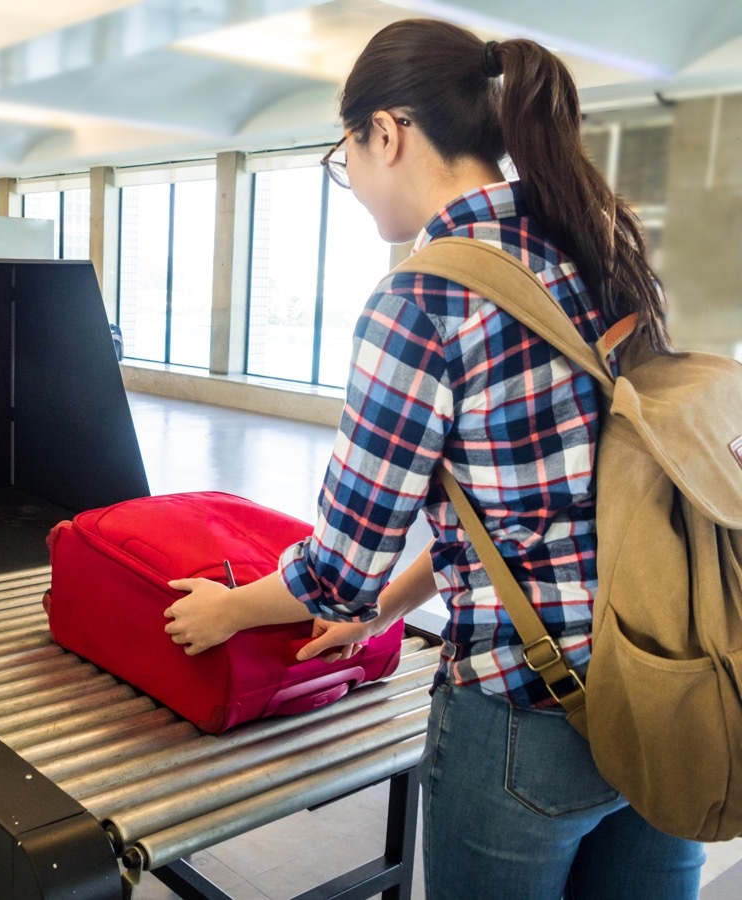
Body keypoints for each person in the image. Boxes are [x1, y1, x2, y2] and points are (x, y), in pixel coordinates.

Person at [161, 18, 705, 900]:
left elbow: (337, 567)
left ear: (389, 130)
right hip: (669, 680)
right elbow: (532, 508)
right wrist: (390, 609)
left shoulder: (422, 295)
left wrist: (229, 611)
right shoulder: (606, 246)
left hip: (529, 717)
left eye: (347, 156)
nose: (355, 184)